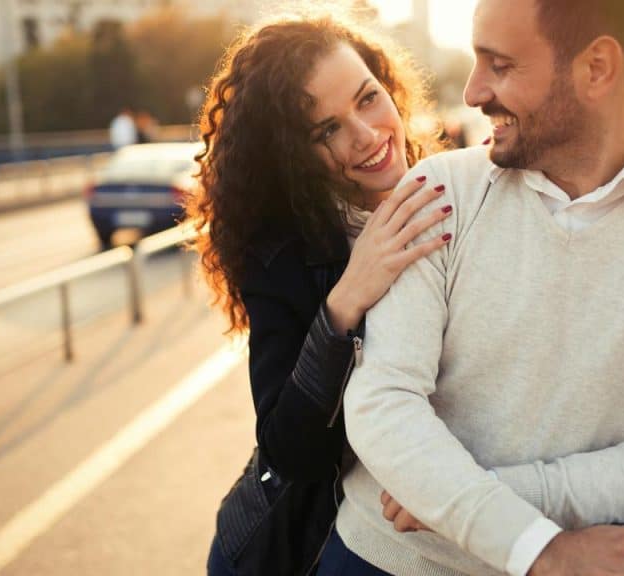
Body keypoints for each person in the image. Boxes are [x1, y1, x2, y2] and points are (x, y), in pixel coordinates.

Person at [329, 1, 624, 575]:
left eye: (501, 65)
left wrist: (472, 497)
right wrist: (542, 550)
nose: (472, 91)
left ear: (597, 69)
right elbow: (383, 406)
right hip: (388, 558)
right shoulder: (437, 190)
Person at [184, 12, 449, 576]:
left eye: (368, 98)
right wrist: (345, 301)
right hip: (288, 550)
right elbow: (288, 448)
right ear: (292, 153)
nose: (367, 135)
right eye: (326, 130)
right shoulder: (281, 256)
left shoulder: (452, 193)